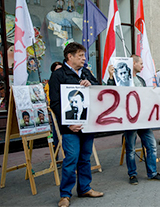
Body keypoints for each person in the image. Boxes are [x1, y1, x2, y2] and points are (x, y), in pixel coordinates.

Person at [49, 42, 103, 207]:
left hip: (87, 123)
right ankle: (65, 195)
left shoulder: (86, 72)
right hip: (70, 127)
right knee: (71, 158)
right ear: (69, 56)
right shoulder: (58, 75)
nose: (84, 59)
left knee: (85, 158)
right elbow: (55, 103)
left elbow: (99, 89)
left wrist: (91, 84)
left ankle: (85, 188)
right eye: (80, 56)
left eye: (84, 55)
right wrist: (68, 124)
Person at [108, 54, 160, 185]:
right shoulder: (120, 79)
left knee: (151, 145)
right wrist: (111, 77)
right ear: (133, 64)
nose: (142, 66)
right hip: (129, 120)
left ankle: (152, 172)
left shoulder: (140, 80)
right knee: (131, 149)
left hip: (143, 119)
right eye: (140, 63)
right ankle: (132, 174)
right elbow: (111, 92)